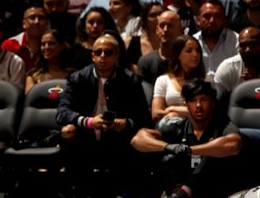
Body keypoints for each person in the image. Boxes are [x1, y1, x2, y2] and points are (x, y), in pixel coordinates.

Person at [56, 34, 151, 197]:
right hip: (85, 135)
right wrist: (87, 122)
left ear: (117, 55)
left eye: (107, 52)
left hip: (118, 138)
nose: (102, 57)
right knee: (67, 131)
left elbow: (144, 117)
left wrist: (125, 123)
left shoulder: (130, 81)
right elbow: (62, 113)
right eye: (98, 52)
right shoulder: (77, 78)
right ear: (92, 55)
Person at [131, 79, 245, 198]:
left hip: (216, 192)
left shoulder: (223, 125)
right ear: (186, 104)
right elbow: (138, 139)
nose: (198, 105)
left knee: (213, 153)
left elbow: (234, 144)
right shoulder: (178, 127)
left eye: (203, 100)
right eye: (193, 100)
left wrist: (190, 150)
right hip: (178, 190)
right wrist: (168, 147)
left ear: (212, 102)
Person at [152, 35, 206, 123]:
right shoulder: (163, 80)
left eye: (198, 51)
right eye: (189, 51)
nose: (195, 54)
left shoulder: (205, 81)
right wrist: (173, 115)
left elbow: (208, 113)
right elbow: (156, 114)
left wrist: (172, 109)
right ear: (178, 55)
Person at [138, 10, 184, 84]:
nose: (165, 30)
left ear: (181, 31)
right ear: (157, 30)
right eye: (162, 26)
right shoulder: (146, 61)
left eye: (170, 26)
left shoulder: (187, 59)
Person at [214, 26, 260, 92]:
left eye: (253, 44)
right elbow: (218, 99)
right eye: (243, 45)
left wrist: (255, 83)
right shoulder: (228, 67)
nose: (247, 50)